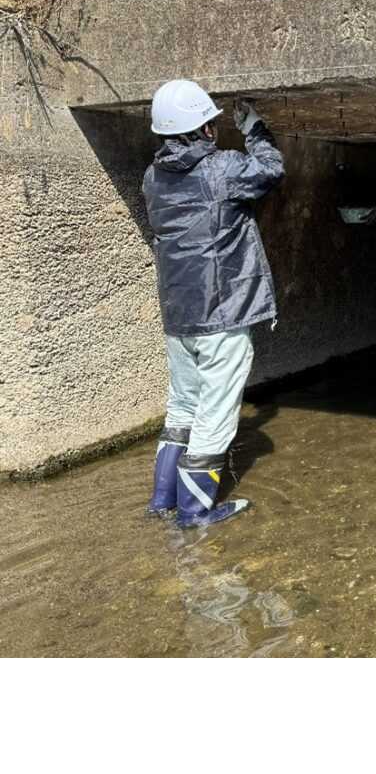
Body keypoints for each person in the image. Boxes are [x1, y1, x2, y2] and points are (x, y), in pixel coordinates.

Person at [142, 80, 284, 527]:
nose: (214, 130)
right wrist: (255, 129)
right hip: (221, 312)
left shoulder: (152, 178)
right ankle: (194, 511)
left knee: (182, 408)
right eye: (211, 123)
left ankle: (162, 500)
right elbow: (271, 170)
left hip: (178, 314)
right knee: (215, 413)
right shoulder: (222, 168)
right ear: (203, 129)